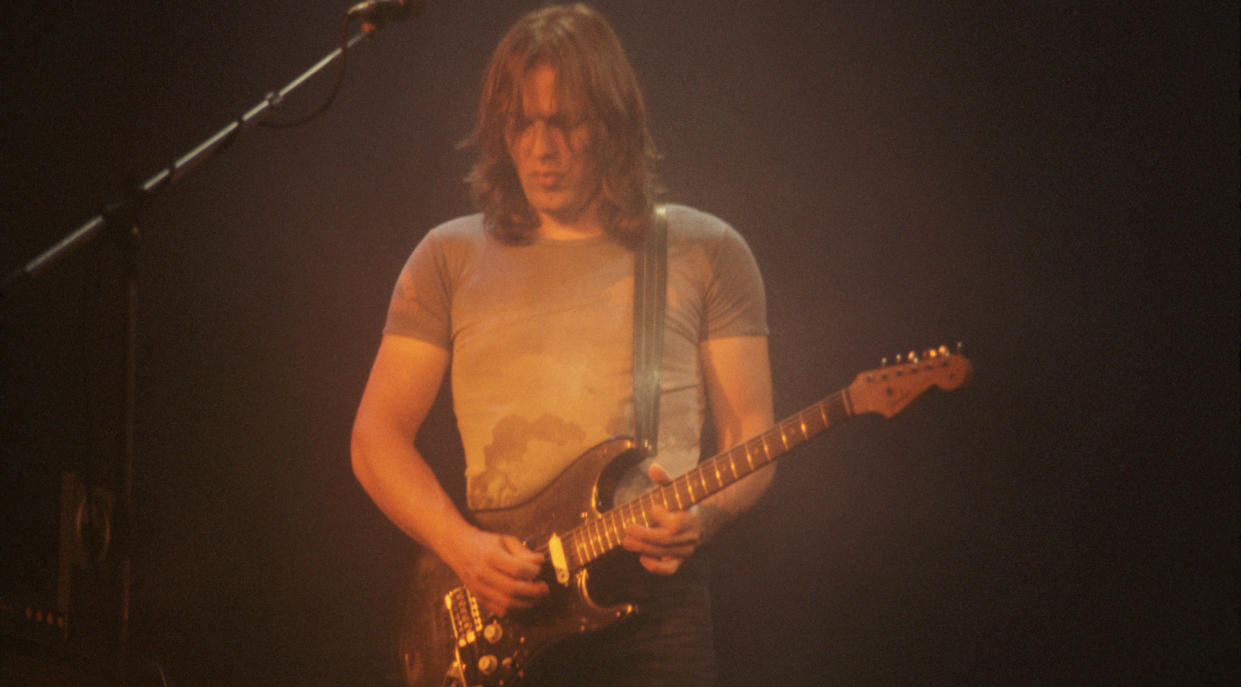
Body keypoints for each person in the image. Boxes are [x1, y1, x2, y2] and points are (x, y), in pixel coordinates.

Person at [351, 4, 774, 685]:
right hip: (498, 600)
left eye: (565, 121)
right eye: (521, 122)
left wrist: (701, 515)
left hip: (655, 613)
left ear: (611, 123)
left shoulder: (707, 251)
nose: (540, 148)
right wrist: (462, 548)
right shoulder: (445, 255)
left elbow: (752, 430)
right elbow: (376, 435)